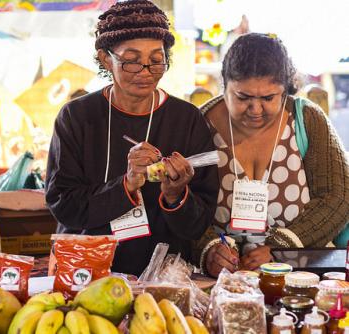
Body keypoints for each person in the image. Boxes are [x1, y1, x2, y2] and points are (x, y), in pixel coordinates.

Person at [45, 0, 219, 276]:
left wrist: (176, 196)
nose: (145, 72)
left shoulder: (186, 119)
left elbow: (198, 225)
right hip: (85, 269)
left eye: (156, 60)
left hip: (163, 274)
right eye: (131, 61)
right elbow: (63, 205)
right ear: (106, 58)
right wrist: (127, 184)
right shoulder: (77, 118)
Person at [197, 33, 349, 277]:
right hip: (222, 281)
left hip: (302, 277)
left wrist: (281, 247)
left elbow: (338, 197)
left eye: (268, 98)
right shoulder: (200, 125)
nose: (256, 110)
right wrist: (209, 249)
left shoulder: (306, 120)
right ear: (224, 85)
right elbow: (183, 202)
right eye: (243, 97)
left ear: (286, 90)